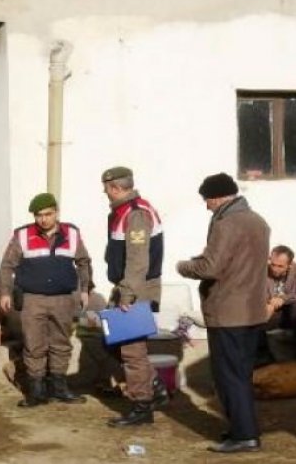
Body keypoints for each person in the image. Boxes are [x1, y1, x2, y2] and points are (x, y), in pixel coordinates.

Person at [176, 172, 269, 454]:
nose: (206, 206)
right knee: (241, 374)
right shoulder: (258, 221)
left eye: (207, 200)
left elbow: (211, 267)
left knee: (229, 375)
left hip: (228, 311)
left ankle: (244, 435)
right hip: (252, 310)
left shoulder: (226, 223)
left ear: (217, 197)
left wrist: (185, 266)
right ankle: (243, 429)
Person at [0, 192, 93, 407]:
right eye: (38, 215)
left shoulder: (72, 233)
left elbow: (84, 262)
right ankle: (36, 392)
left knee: (61, 343)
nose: (43, 219)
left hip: (63, 299)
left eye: (48, 214)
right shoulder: (22, 235)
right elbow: (7, 265)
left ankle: (59, 388)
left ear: (56, 212)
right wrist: (4, 292)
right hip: (33, 299)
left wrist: (85, 289)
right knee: (34, 344)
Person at [99, 166, 170, 427]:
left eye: (106, 188)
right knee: (112, 342)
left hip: (137, 288)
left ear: (115, 187)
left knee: (132, 351)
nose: (104, 192)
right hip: (126, 286)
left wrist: (127, 297)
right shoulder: (124, 211)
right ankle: (155, 387)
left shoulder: (136, 214)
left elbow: (138, 261)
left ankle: (143, 406)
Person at [256, 245, 296, 363]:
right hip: (271, 313)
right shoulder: (261, 272)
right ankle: (263, 356)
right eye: (273, 264)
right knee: (253, 318)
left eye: (280, 266)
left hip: (291, 314)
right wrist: (267, 305)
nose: (275, 269)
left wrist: (283, 299)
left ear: (289, 265)